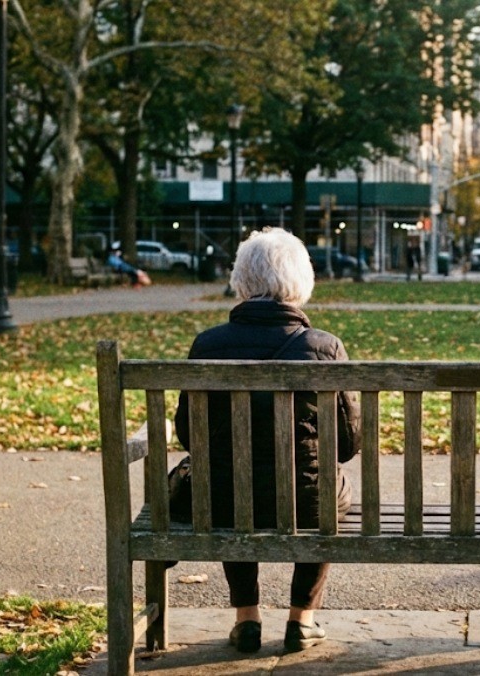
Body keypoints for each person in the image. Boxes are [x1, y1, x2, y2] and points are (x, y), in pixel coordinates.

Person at [173, 227, 361, 654]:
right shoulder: (324, 348)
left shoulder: (208, 345)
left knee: (231, 482)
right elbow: (347, 445)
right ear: (300, 282)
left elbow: (190, 436)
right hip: (306, 500)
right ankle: (302, 619)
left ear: (242, 281)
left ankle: (247, 618)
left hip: (221, 500)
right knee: (326, 485)